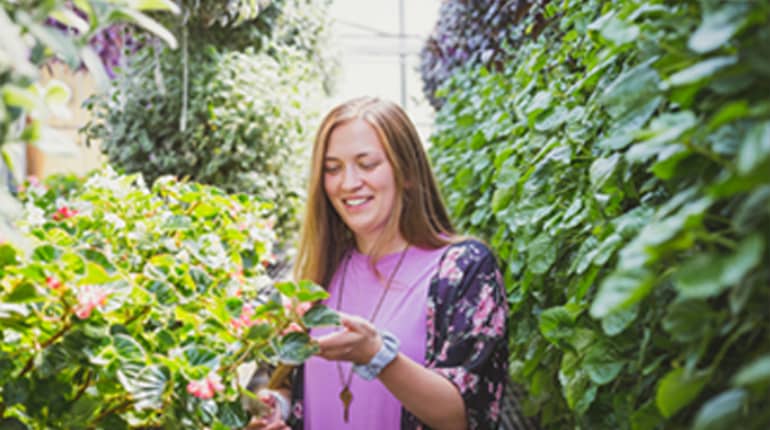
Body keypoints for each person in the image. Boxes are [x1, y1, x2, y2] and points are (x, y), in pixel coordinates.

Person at [248, 97, 508, 429]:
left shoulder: (463, 270)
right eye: (332, 168)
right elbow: (290, 380)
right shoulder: (320, 271)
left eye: (367, 164)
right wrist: (278, 407)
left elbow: (466, 416)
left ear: (408, 173)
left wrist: (377, 356)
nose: (348, 182)